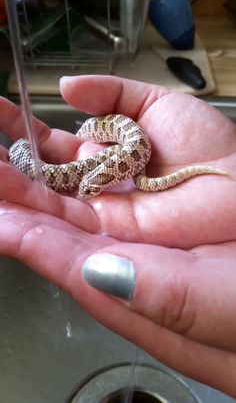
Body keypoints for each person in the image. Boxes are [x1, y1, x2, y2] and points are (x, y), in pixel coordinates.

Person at [0, 75, 236, 398]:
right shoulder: (102, 158)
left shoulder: (124, 153)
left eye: (92, 190)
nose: (88, 194)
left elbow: (93, 180)